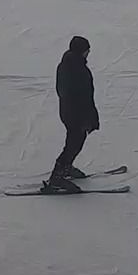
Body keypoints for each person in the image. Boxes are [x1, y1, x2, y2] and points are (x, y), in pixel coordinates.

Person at [43, 36, 99, 194]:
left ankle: (65, 168)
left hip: (68, 111)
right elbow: (82, 96)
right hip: (76, 113)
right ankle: (57, 176)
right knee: (74, 143)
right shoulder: (77, 69)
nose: (88, 53)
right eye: (87, 50)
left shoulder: (66, 64)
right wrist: (86, 117)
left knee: (74, 140)